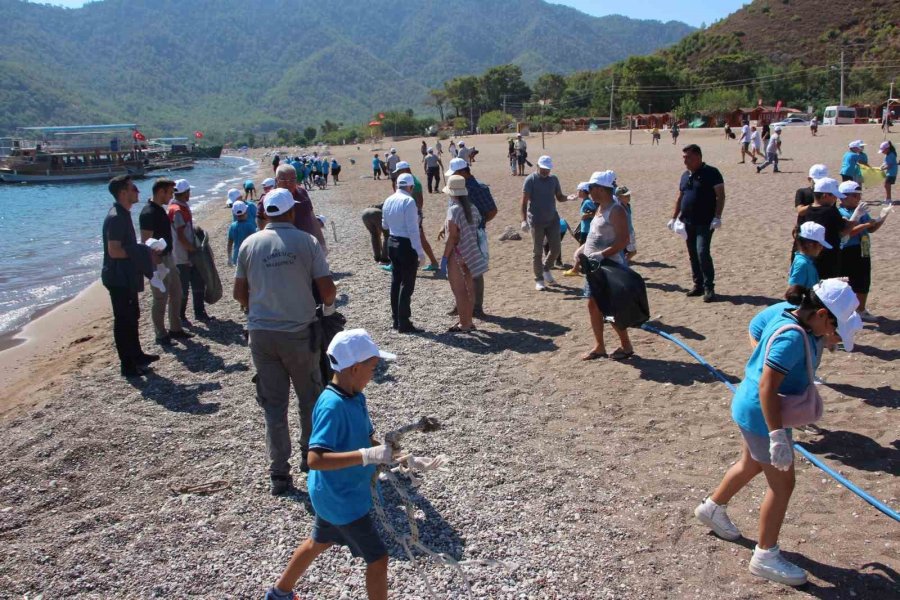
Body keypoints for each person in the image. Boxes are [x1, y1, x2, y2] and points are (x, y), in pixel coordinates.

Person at [695, 279, 861, 587]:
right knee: (784, 484)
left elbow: (757, 328)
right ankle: (765, 556)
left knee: (751, 463)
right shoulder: (792, 340)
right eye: (836, 327)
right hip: (763, 414)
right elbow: (768, 387)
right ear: (823, 314)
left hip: (751, 407)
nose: (835, 337)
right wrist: (775, 435)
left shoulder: (790, 312)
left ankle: (712, 508)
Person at [263, 329, 398, 600]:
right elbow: (315, 459)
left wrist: (393, 456)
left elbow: (367, 439)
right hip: (342, 500)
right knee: (379, 559)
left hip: (331, 493)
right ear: (356, 368)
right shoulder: (331, 406)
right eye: (372, 368)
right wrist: (367, 456)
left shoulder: (356, 396)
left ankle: (279, 594)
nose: (374, 374)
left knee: (319, 541)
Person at [234, 188, 336, 495]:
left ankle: (279, 472)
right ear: (291, 212)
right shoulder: (307, 242)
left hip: (262, 336)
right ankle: (310, 457)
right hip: (299, 333)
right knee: (309, 398)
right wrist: (324, 309)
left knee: (273, 405)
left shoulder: (250, 244)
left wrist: (261, 307)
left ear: (265, 213)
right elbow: (328, 290)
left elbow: (240, 294)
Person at [102, 175, 159, 377]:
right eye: (134, 188)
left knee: (133, 315)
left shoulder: (123, 214)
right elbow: (114, 251)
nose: (138, 191)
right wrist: (141, 251)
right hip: (118, 277)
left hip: (125, 275)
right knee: (124, 320)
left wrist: (139, 251)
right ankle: (127, 365)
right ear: (123, 192)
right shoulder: (117, 217)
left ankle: (137, 355)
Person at [576, 170, 634, 361]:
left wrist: (601, 254)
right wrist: (581, 250)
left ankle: (626, 345)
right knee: (593, 305)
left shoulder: (615, 210)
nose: (589, 191)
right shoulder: (600, 207)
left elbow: (623, 240)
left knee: (610, 308)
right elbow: (595, 235)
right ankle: (600, 346)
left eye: (591, 188)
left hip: (609, 268)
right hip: (594, 267)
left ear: (600, 189)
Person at [669, 144, 725, 302]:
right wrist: (674, 217)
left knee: (702, 252)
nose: (685, 161)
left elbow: (720, 196)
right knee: (693, 254)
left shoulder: (712, 173)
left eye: (688, 157)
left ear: (698, 157)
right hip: (687, 222)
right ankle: (698, 285)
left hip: (705, 222)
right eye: (684, 157)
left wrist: (717, 216)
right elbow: (680, 197)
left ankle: (709, 287)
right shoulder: (685, 175)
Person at [442, 158, 497, 316]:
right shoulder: (456, 185)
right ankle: (461, 304)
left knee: (475, 270)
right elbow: (451, 210)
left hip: (474, 234)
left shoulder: (479, 188)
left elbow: (492, 211)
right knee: (459, 270)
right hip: (458, 233)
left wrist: (478, 224)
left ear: (463, 172)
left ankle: (477, 307)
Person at [139, 178, 190, 347]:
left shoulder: (160, 210)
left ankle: (175, 328)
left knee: (177, 293)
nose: (171, 196)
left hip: (168, 257)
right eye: (169, 192)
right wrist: (156, 266)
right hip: (158, 261)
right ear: (160, 192)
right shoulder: (148, 212)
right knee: (160, 298)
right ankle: (161, 334)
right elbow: (146, 241)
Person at [439, 175, 487, 332]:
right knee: (469, 289)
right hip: (471, 253)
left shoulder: (453, 210)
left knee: (459, 291)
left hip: (457, 254)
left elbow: (452, 237)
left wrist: (445, 258)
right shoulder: (472, 208)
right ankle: (469, 321)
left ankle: (464, 323)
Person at [837, 180, 888, 320]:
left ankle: (861, 309)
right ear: (843, 197)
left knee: (864, 280)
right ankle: (845, 310)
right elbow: (847, 232)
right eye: (855, 195)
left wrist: (882, 218)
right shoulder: (839, 212)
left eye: (859, 195)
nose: (858, 198)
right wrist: (865, 224)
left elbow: (871, 229)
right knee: (846, 281)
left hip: (863, 248)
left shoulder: (860, 209)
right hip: (847, 250)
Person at [382, 173, 426, 333]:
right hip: (406, 245)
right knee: (407, 284)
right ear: (411, 186)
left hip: (392, 242)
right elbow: (413, 230)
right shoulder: (409, 201)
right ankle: (404, 321)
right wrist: (420, 252)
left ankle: (396, 319)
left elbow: (384, 225)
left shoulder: (388, 200)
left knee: (396, 281)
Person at [521, 155, 569, 291]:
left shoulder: (553, 180)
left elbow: (559, 197)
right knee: (537, 251)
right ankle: (539, 279)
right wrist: (524, 220)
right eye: (543, 169)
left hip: (553, 219)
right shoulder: (530, 180)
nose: (545, 172)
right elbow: (524, 202)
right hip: (536, 221)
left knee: (556, 249)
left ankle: (546, 268)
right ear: (537, 166)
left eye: (547, 169)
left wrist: (568, 198)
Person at [797, 178, 857, 279]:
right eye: (834, 196)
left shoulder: (809, 210)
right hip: (830, 256)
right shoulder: (830, 211)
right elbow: (843, 232)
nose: (836, 199)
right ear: (825, 195)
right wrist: (855, 218)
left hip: (812, 256)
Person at [168, 178, 209, 323]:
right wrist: (193, 250)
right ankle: (182, 316)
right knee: (184, 288)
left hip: (185, 254)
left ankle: (198, 312)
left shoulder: (179, 207)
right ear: (185, 193)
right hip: (182, 256)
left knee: (197, 282)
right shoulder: (177, 210)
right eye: (189, 192)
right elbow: (180, 237)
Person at [393, 161, 440, 271]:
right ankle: (432, 262)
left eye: (398, 171)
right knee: (418, 238)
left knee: (412, 238)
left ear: (404, 170)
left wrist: (415, 216)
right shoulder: (410, 180)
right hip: (411, 214)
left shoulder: (413, 182)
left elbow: (420, 201)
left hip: (412, 215)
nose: (397, 174)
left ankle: (430, 262)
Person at [563, 182, 594, 278]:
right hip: (585, 229)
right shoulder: (585, 201)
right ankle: (580, 268)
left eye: (579, 190)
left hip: (587, 230)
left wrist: (587, 215)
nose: (577, 192)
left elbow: (597, 212)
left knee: (581, 252)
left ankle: (575, 269)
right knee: (583, 250)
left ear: (583, 191)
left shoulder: (588, 202)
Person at [788, 222, 828, 288]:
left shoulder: (807, 260)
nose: (822, 247)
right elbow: (794, 290)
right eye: (820, 245)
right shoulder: (802, 264)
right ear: (809, 244)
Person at [226, 200, 257, 267]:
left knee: (240, 275)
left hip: (237, 256)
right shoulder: (250, 226)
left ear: (234, 213)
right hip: (249, 255)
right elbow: (255, 242)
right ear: (246, 211)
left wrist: (229, 257)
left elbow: (229, 242)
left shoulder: (232, 226)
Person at [616, 185, 637, 261]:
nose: (629, 197)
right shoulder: (618, 208)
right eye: (626, 196)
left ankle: (625, 260)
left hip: (630, 231)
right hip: (625, 233)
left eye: (629, 195)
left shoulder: (627, 205)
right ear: (619, 197)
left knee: (627, 251)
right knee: (633, 252)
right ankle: (624, 262)